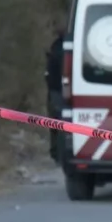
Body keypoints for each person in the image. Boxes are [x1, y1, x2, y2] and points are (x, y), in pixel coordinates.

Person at [45, 25, 66, 163]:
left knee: (55, 123)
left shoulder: (56, 47)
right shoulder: (68, 47)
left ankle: (56, 152)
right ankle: (59, 152)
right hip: (60, 89)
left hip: (55, 89)